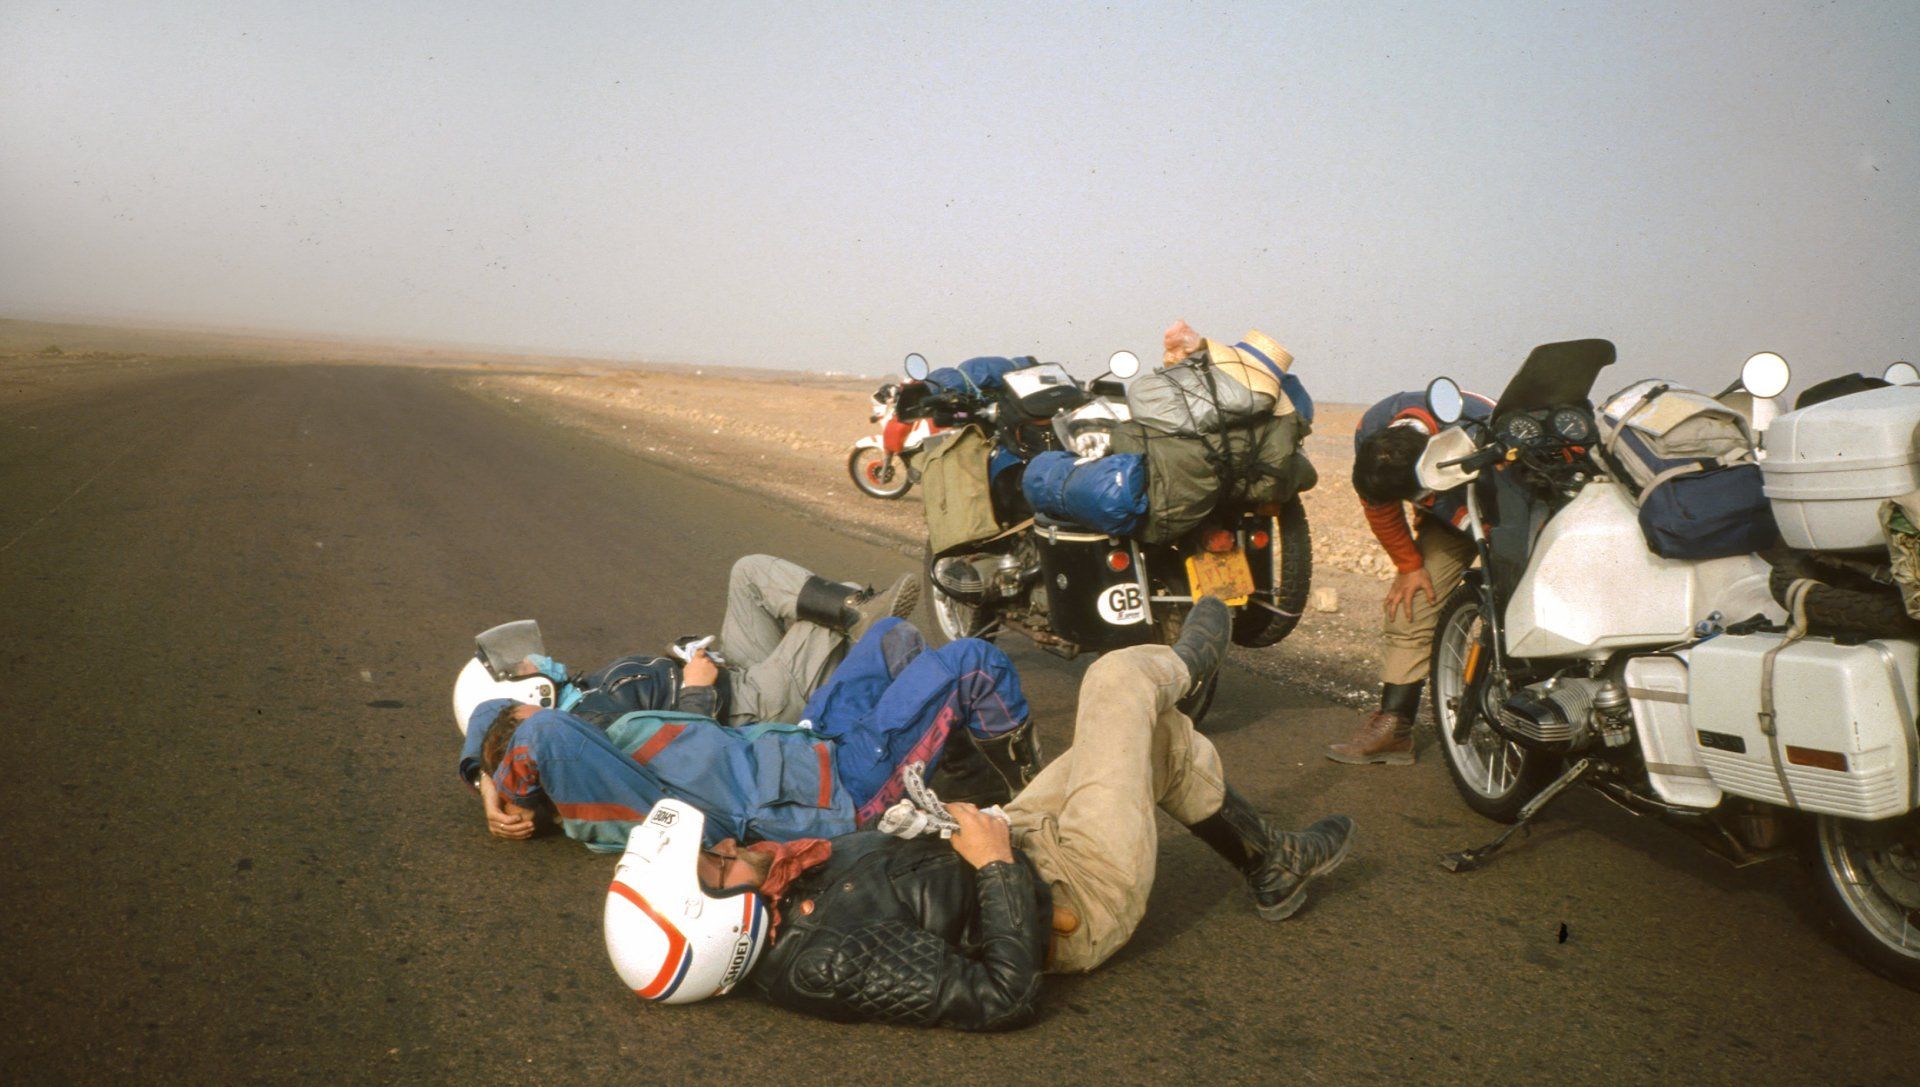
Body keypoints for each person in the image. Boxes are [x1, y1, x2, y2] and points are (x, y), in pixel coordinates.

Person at [602, 597, 1357, 1028]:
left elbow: (891, 887)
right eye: (714, 864)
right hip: (1077, 888)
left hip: (1019, 835)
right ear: (713, 926)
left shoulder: (776, 889)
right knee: (1119, 684)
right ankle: (1187, 665)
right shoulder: (824, 965)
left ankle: (1271, 864)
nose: (725, 847)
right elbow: (1002, 993)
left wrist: (930, 827)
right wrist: (994, 864)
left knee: (1159, 739)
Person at [469, 616, 1040, 851]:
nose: (545, 706)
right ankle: (1029, 798)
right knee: (972, 661)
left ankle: (960, 766)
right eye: (528, 715)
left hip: (811, 746)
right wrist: (508, 795)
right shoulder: (609, 796)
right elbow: (541, 731)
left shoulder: (602, 741)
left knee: (892, 634)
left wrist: (480, 774)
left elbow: (493, 709)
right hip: (841, 792)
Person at [1326, 386, 1495, 765]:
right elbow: (1379, 507)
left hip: (1507, 510)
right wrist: (1409, 565)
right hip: (1450, 518)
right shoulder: (1373, 429)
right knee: (1412, 605)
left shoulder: (1478, 425)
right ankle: (1395, 730)